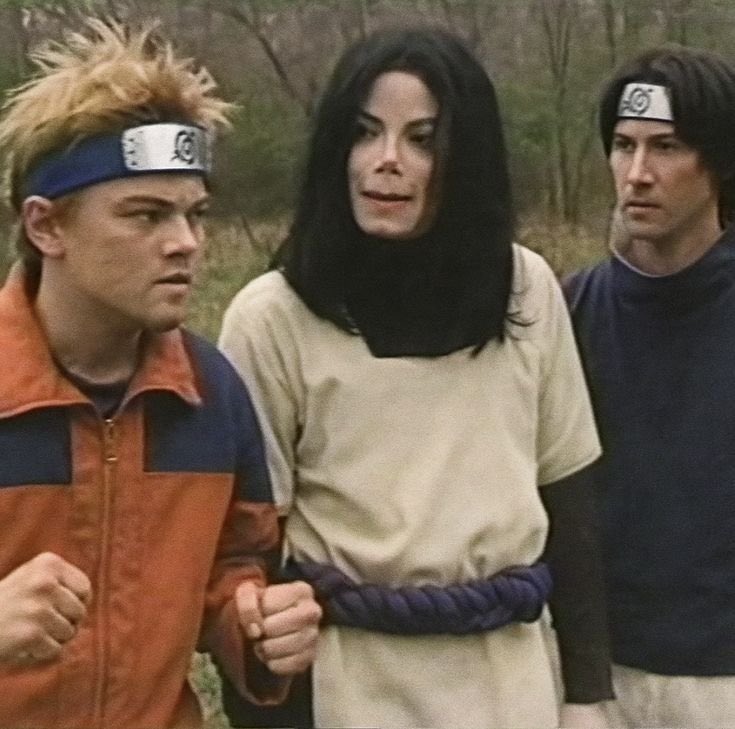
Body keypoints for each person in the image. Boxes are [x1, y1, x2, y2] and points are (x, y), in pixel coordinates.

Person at [219, 27, 613, 729]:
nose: (386, 161)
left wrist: (586, 696)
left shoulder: (524, 290)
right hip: (350, 685)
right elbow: (248, 555)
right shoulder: (271, 319)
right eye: (365, 132)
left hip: (508, 682)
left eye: (422, 139)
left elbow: (569, 502)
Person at [0, 16, 321, 729]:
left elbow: (234, 570)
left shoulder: (211, 393)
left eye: (194, 214)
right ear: (46, 226)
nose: (184, 243)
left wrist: (259, 627)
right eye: (145, 216)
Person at [564, 46, 735, 728]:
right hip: (597, 680)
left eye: (665, 147)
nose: (637, 174)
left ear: (718, 162)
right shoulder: (565, 311)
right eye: (623, 146)